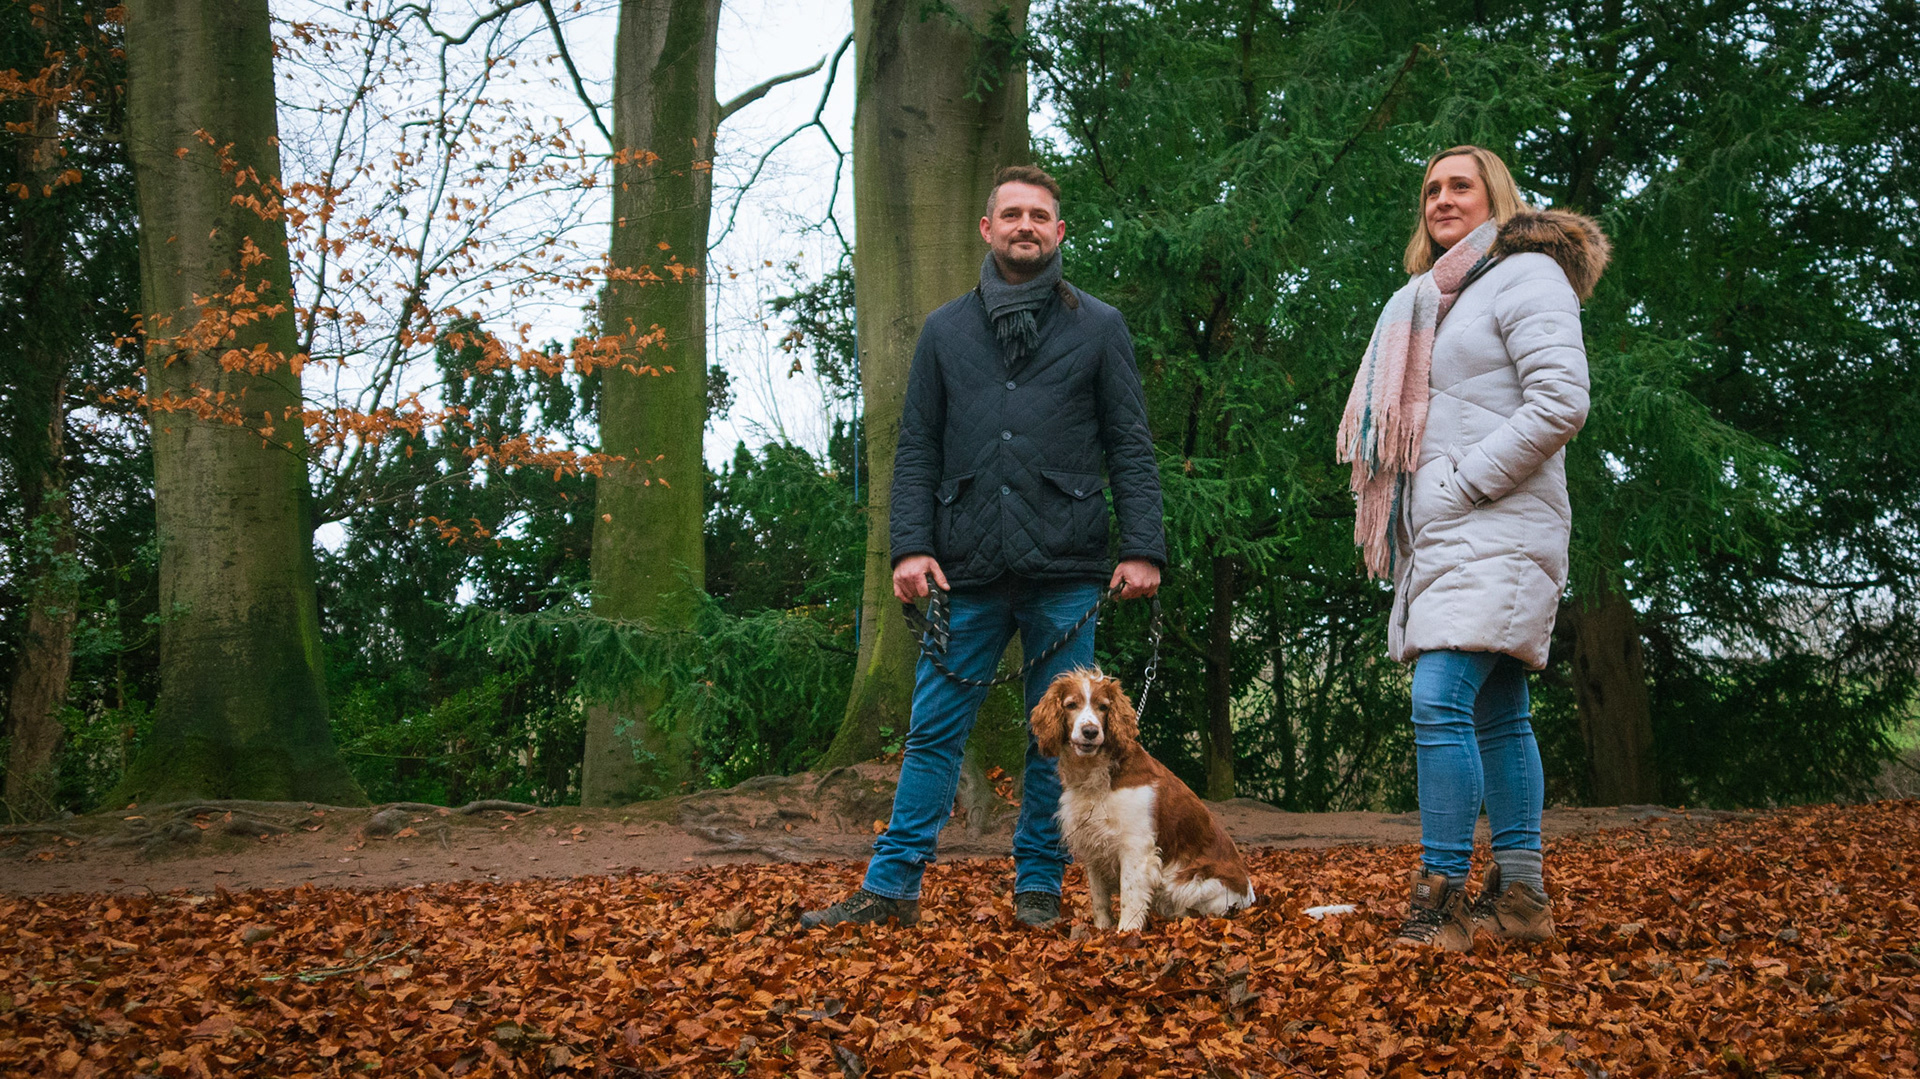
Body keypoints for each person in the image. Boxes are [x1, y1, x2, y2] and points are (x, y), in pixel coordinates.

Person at [800, 165, 1166, 930]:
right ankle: (892, 887)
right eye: (1012, 214)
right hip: (962, 565)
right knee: (933, 729)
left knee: (1063, 739)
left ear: (1059, 232)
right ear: (987, 228)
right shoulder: (944, 331)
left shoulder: (1100, 327)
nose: (1025, 225)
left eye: (1040, 215)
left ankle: (1037, 886)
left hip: (1066, 566)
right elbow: (917, 447)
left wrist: (1143, 548)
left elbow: (1130, 444)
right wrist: (910, 549)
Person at [1336, 145, 1609, 950]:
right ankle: (1522, 899)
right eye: (1430, 188)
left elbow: (1562, 400)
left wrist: (1462, 483)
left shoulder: (1528, 274)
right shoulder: (1435, 299)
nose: (1442, 198)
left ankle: (1443, 894)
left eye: (1462, 185)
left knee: (1440, 698)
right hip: (1453, 531)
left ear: (1497, 197)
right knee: (1495, 708)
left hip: (1496, 519)